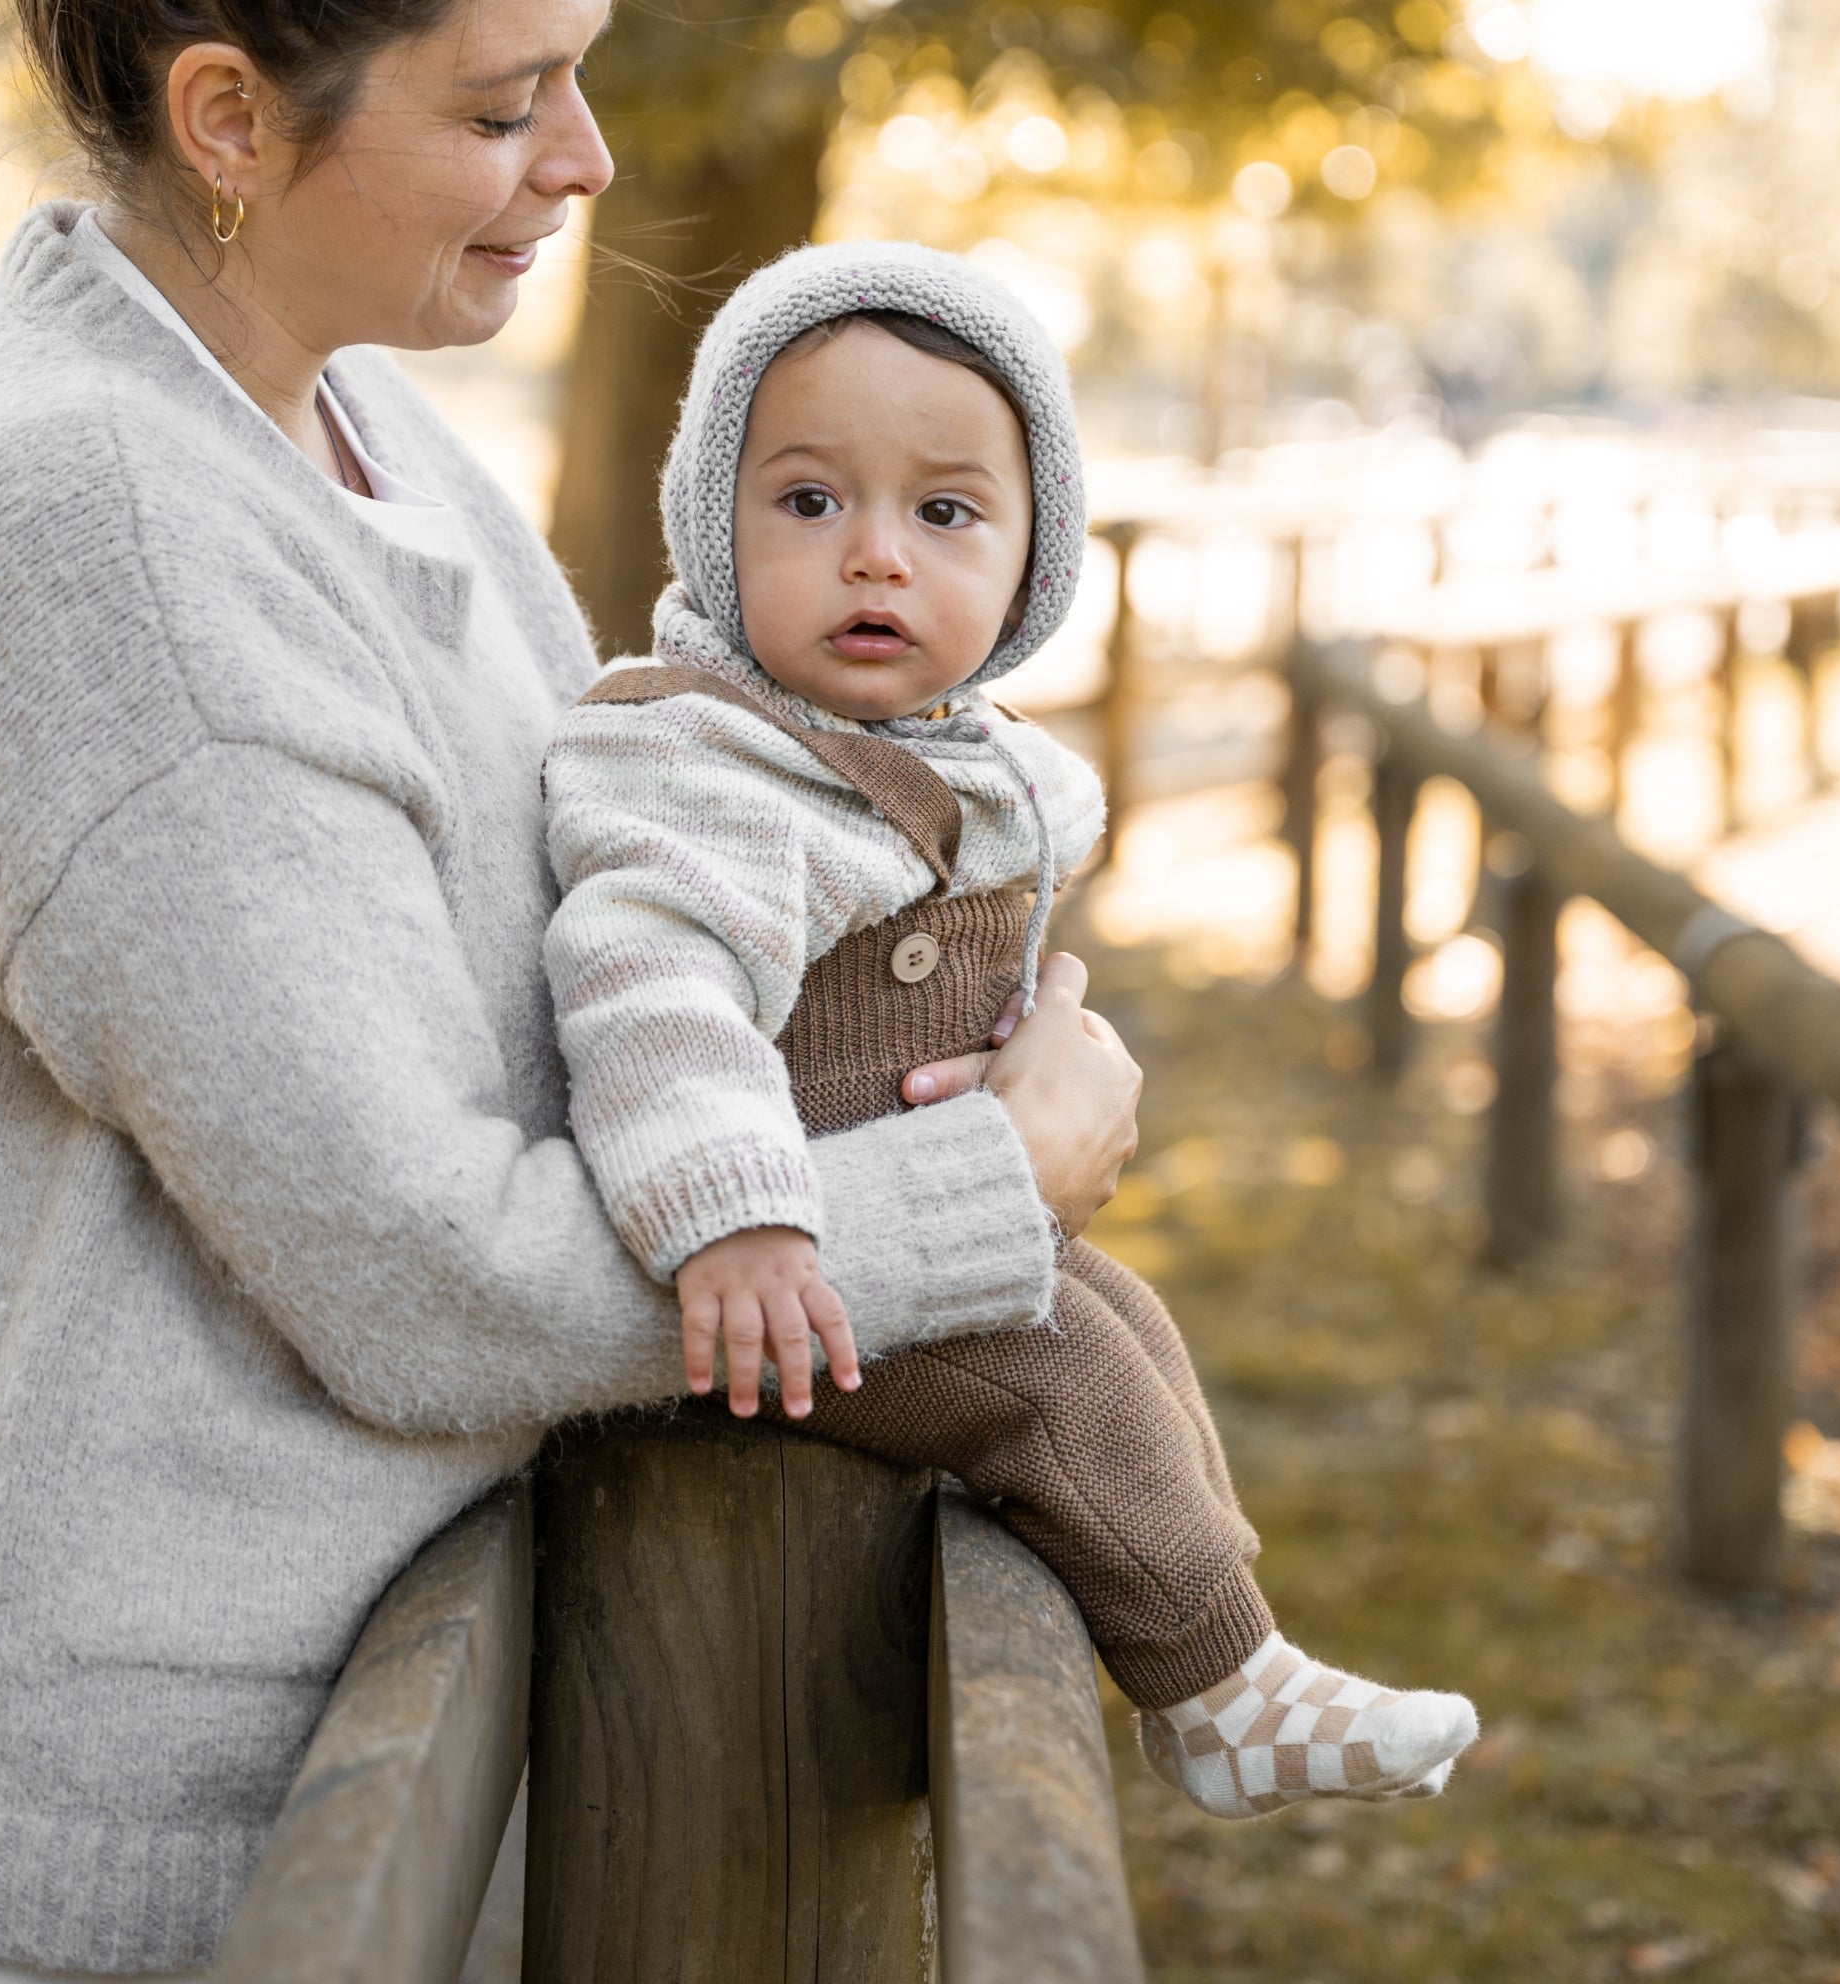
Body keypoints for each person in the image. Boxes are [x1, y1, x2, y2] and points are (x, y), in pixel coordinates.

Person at [0, 0, 1146, 1974]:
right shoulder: (105, 526)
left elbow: (610, 949)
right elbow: (421, 1268)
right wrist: (979, 1189)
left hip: (431, 1691)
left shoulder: (348, 418)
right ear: (229, 118)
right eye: (506, 106)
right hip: (177, 1841)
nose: (586, 160)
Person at [539, 242, 1481, 1823]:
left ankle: (1227, 1635)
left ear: (1034, 559)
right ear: (712, 521)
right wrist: (736, 1217)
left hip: (896, 1234)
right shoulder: (699, 765)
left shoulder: (946, 757)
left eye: (946, 512)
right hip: (782, 1287)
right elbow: (650, 992)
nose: (875, 558)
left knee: (1127, 1319)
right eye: (809, 501)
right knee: (1055, 1374)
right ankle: (1214, 1682)